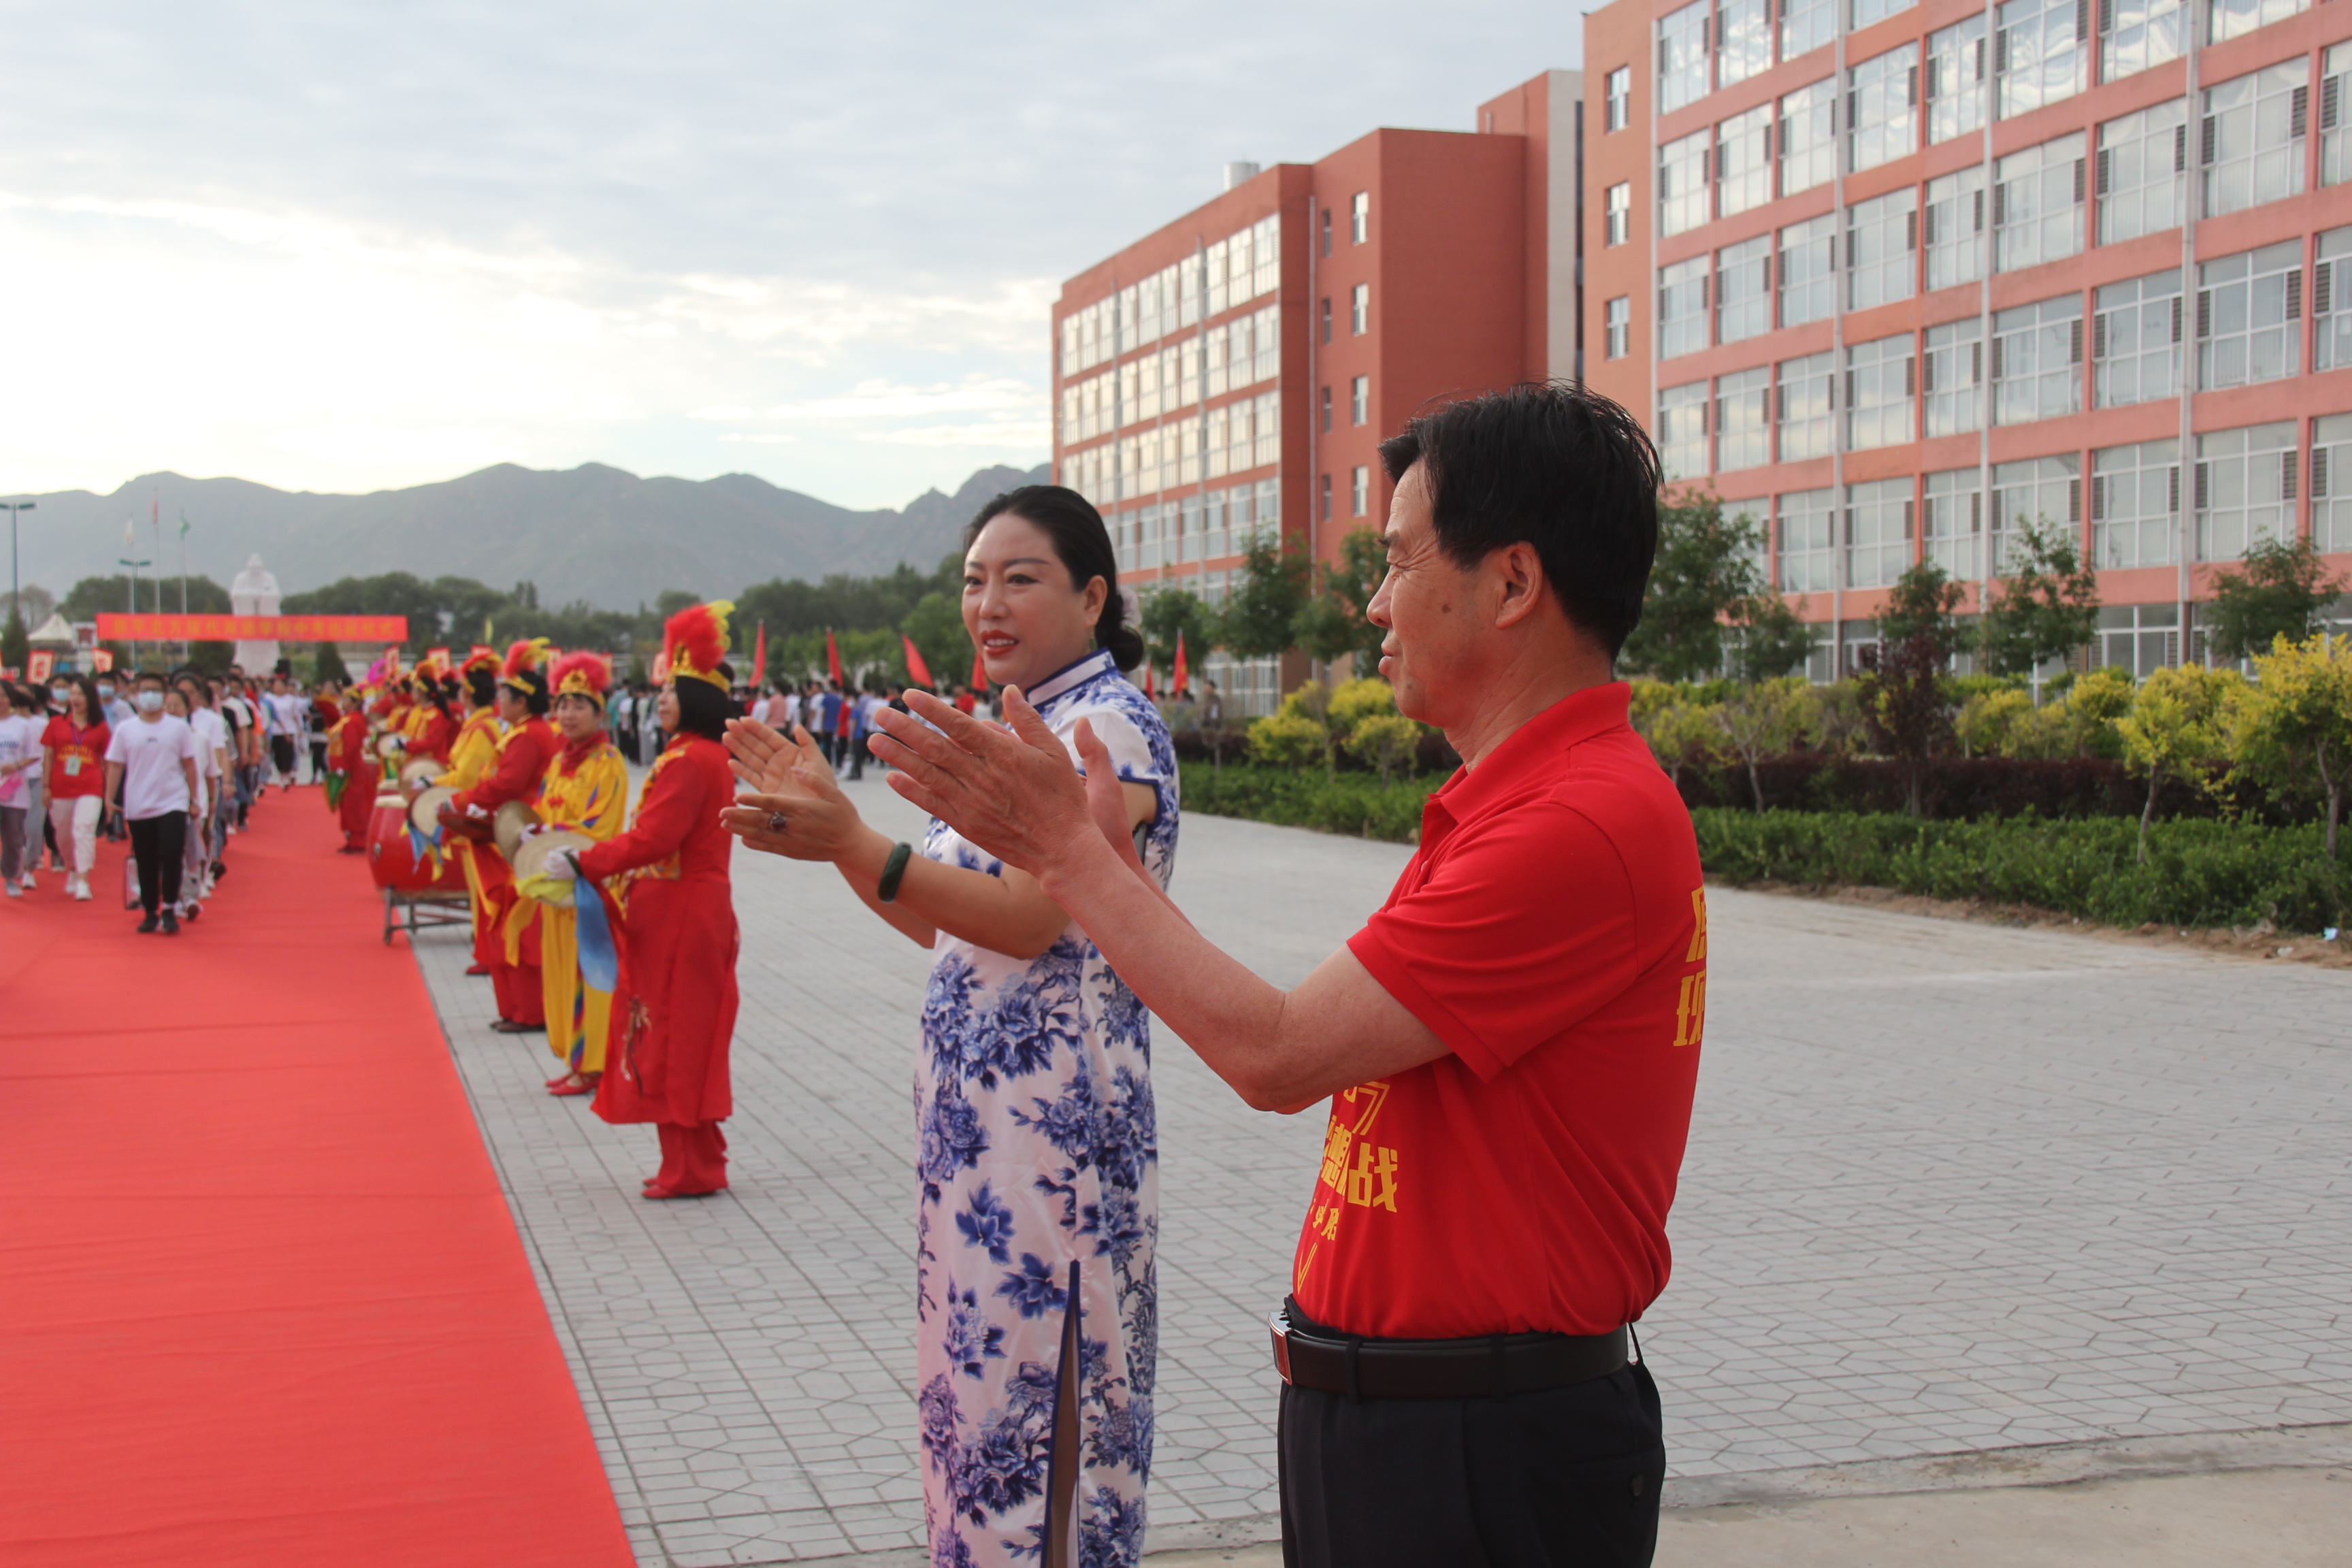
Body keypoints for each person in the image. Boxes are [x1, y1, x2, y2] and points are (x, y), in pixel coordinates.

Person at [864, 387, 1698, 1568]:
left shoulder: (1578, 821)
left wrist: (1068, 852)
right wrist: (1089, 858)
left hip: (1481, 1439)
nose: (1373, 601)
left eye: (1400, 559)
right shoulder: (1509, 802)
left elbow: (1278, 1051)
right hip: (1410, 1417)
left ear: (1512, 583)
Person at [723, 485, 1174, 1568]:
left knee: (1048, 1422)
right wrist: (837, 836)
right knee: (979, 1422)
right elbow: (942, 921)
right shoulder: (1011, 728)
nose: (989, 603)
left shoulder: (1102, 728)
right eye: (975, 579)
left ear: (1094, 594)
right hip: (982, 1141)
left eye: (1021, 578)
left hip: (1060, 1139)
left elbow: (1028, 918)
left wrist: (860, 841)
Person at [549, 603, 742, 1197]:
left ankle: (688, 1168)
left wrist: (586, 861)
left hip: (681, 915)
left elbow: (656, 839)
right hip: (687, 911)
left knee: (675, 1036)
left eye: (672, 690)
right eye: (660, 689)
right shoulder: (699, 756)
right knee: (686, 1034)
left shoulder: (687, 762)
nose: (660, 699)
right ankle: (697, 1158)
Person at [519, 652, 630, 1094]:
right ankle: (574, 1056)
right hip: (557, 886)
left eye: (579, 705)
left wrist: (555, 834)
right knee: (562, 973)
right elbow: (544, 810)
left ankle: (594, 1063)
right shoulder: (557, 763)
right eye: (562, 704)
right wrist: (534, 830)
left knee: (590, 976)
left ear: (599, 711)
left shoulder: (608, 762)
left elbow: (603, 824)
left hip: (589, 890)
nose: (567, 714)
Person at [446, 640, 561, 1032]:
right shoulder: (527, 731)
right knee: (509, 921)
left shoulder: (529, 736)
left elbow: (508, 783)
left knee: (518, 922)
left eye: (504, 696)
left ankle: (529, 1011)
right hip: (512, 829)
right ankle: (519, 1009)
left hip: (518, 834)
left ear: (521, 701)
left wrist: (464, 800)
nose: (498, 701)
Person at [105, 671, 203, 936]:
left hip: (173, 800)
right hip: (139, 802)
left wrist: (195, 799)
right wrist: (109, 798)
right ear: (136, 694)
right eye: (144, 690)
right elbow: (115, 765)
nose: (149, 695)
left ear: (164, 694)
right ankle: (150, 911)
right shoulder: (126, 729)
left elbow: (189, 764)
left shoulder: (178, 727)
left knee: (171, 854)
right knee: (146, 859)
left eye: (155, 690)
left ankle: (170, 907)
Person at [432, 649, 507, 975]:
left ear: (468, 693)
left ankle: (489, 953)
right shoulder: (477, 726)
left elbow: (466, 778)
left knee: (483, 891)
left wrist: (435, 781)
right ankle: (485, 950)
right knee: (478, 890)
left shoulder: (481, 729)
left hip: (476, 814)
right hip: (473, 811)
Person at [38, 674, 109, 900]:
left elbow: (107, 761)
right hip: (60, 787)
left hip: (91, 786)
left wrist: (109, 792)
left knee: (84, 830)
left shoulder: (101, 728)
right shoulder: (56, 724)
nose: (75, 698)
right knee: (64, 835)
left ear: (90, 698)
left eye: (80, 694)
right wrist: (46, 786)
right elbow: (49, 755)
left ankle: (83, 880)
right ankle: (71, 867)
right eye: (73, 694)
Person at [0, 683, 39, 894]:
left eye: (4, 696)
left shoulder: (23, 726)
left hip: (13, 789)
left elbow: (34, 754)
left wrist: (15, 766)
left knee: (13, 838)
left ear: (12, 699)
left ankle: (9, 877)